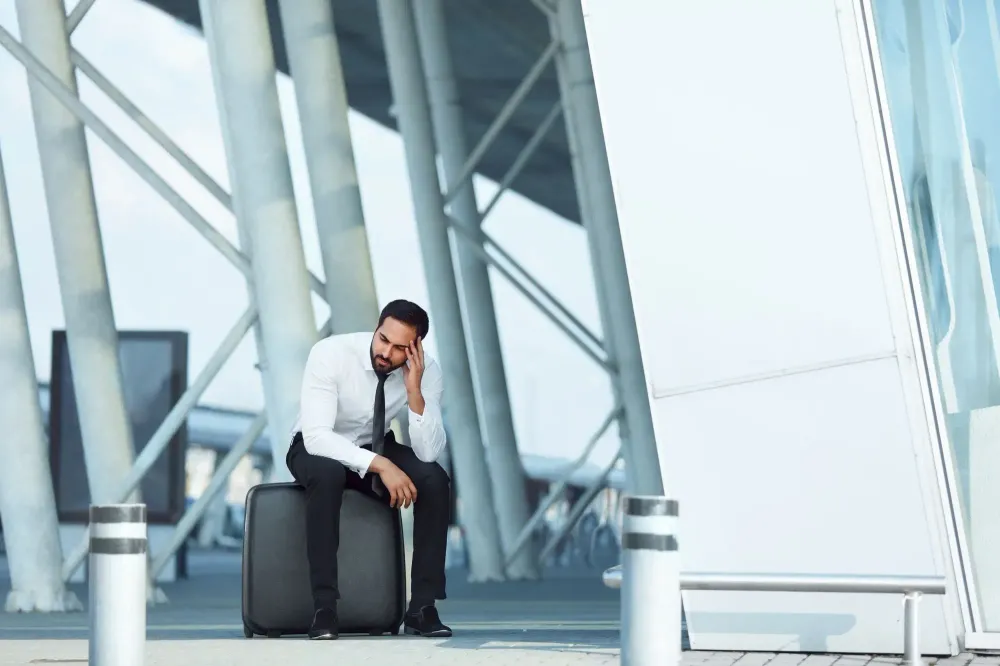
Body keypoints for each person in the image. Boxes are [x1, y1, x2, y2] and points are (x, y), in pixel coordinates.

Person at [286, 299, 453, 640]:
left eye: (398, 348)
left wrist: (414, 391)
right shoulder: (330, 353)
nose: (386, 352)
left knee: (434, 479)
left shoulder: (427, 372)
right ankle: (324, 608)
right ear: (376, 329)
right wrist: (382, 465)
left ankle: (422, 606)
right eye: (382, 339)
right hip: (316, 447)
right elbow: (317, 437)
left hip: (374, 443)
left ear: (416, 348)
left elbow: (429, 451)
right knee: (328, 473)